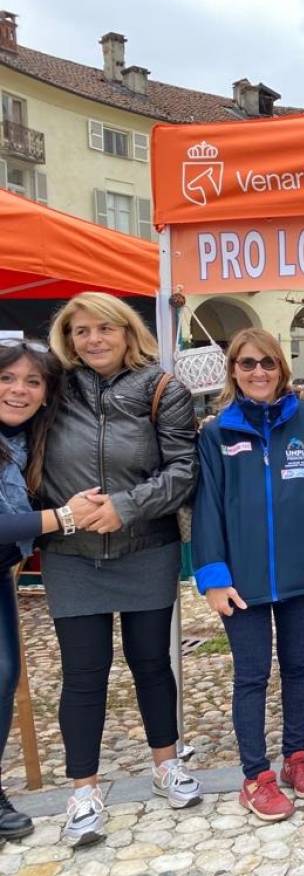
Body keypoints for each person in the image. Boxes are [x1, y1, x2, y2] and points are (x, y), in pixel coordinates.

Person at [43, 293, 200, 847]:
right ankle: (83, 791)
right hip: (71, 553)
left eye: (105, 328)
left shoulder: (163, 389)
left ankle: (166, 763)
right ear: (68, 337)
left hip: (145, 548)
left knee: (152, 663)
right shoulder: (52, 387)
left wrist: (126, 506)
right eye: (81, 331)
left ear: (128, 331)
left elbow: (184, 470)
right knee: (83, 676)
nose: (94, 340)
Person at [192, 329, 304, 823]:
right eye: (246, 364)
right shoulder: (218, 432)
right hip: (243, 580)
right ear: (233, 371)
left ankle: (295, 758)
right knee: (252, 675)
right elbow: (207, 508)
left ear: (281, 368)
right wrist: (213, 576)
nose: (257, 372)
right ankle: (256, 775)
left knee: (301, 668)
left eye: (266, 363)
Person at [0, 340, 103, 845]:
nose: (19, 390)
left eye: (32, 382)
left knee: (3, 675)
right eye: (8, 378)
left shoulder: (25, 443)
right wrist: (64, 517)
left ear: (46, 395)